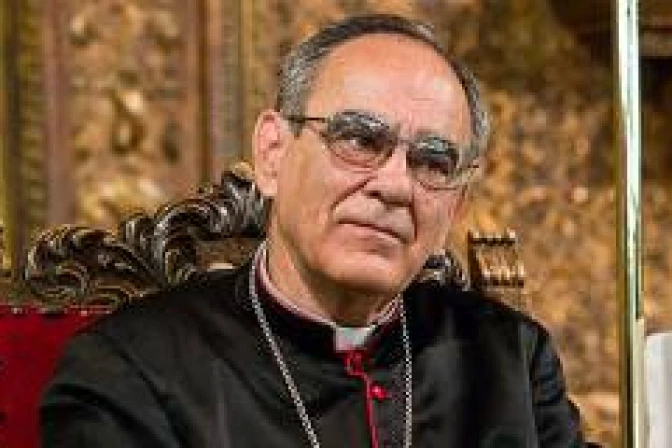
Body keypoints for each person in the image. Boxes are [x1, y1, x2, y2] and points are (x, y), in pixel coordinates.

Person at [41, 13, 585, 447]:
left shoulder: (511, 357)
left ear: (457, 203)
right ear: (273, 153)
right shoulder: (130, 368)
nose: (395, 186)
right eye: (360, 140)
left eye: (433, 162)